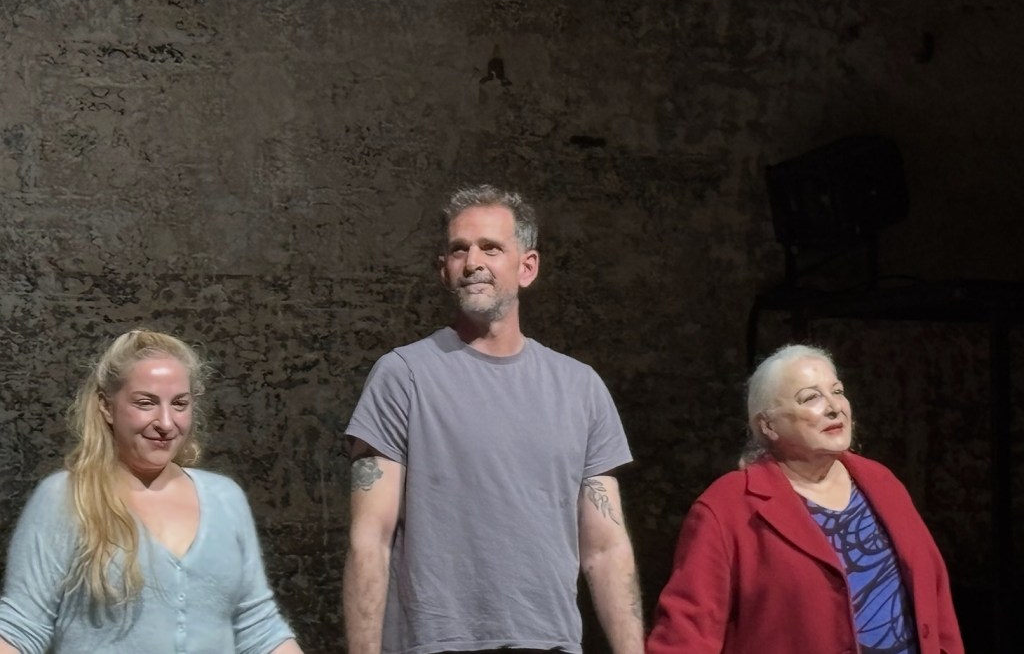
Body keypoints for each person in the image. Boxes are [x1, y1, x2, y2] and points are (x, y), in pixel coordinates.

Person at [343, 185, 643, 654]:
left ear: (527, 267)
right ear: (443, 270)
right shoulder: (403, 376)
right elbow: (370, 540)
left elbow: (606, 548)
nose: (472, 262)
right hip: (436, 645)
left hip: (548, 643)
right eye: (458, 249)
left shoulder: (579, 387)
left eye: (491, 247)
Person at [646, 344, 964, 654]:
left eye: (837, 391)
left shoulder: (881, 482)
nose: (834, 407)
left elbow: (934, 594)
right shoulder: (726, 507)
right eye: (811, 397)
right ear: (768, 425)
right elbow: (686, 635)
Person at [0, 330, 303, 654]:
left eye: (179, 404)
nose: (166, 423)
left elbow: (259, 628)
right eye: (146, 403)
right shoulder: (66, 498)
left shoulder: (225, 499)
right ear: (106, 406)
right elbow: (21, 628)